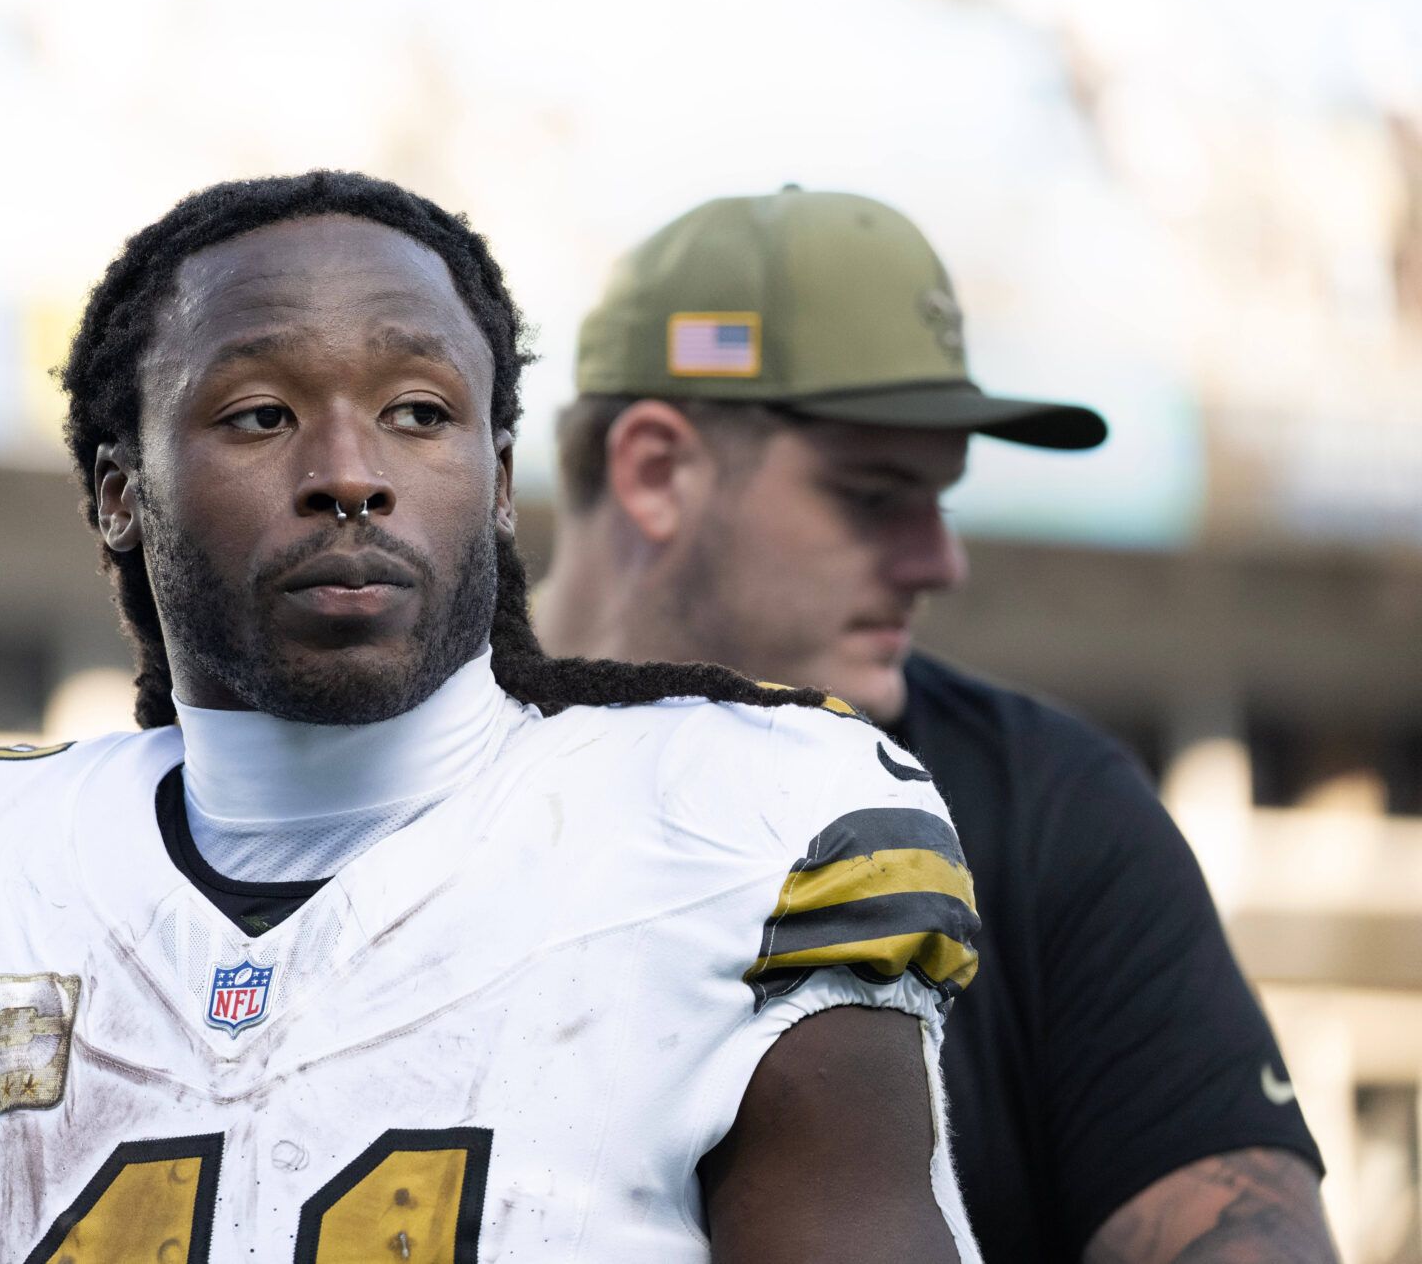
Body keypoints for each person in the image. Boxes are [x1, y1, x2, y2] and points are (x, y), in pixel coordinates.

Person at [0, 172, 989, 1262]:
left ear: (495, 477)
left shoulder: (737, 830)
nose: (348, 470)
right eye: (261, 414)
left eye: (419, 411)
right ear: (122, 493)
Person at [534, 186, 1336, 1263]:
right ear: (656, 470)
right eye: (875, 495)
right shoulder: (382, 783)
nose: (938, 561)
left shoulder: (1050, 807)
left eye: (942, 498)